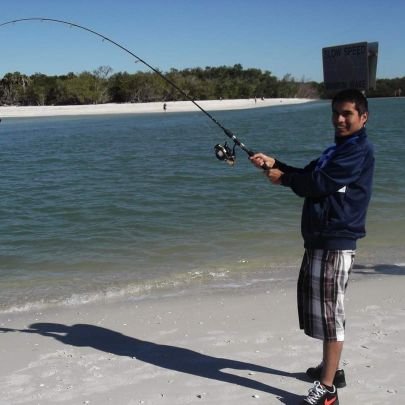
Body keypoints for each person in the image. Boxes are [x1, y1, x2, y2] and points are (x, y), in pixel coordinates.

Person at [250, 88, 374, 405]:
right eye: (336, 112)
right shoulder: (338, 149)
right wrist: (274, 164)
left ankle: (328, 391)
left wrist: (283, 179)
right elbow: (310, 174)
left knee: (331, 314)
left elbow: (318, 185)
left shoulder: (357, 150)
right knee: (319, 309)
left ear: (363, 117)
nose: (340, 119)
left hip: (336, 239)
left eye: (347, 113)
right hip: (321, 237)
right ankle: (330, 370)